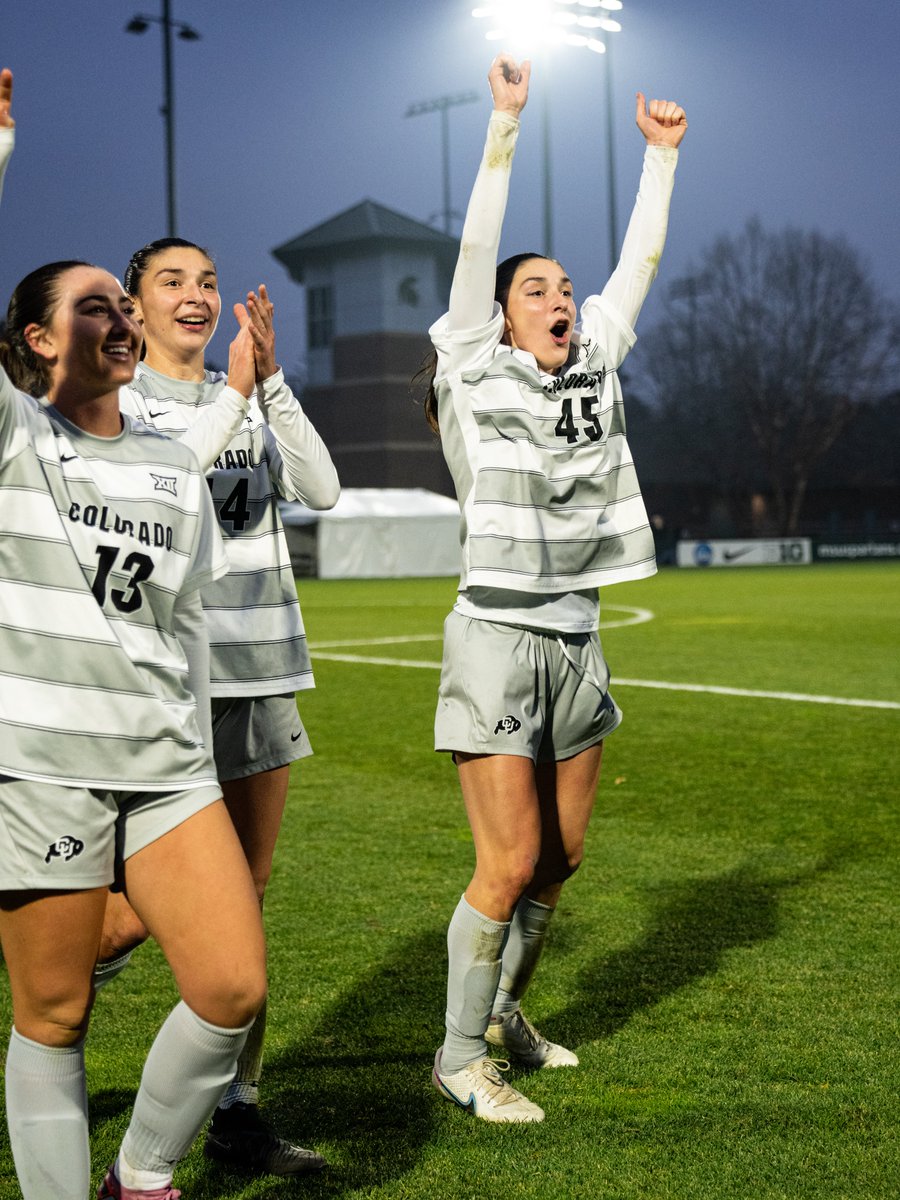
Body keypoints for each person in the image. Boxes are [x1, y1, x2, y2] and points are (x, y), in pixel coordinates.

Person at [0, 68, 268, 1200]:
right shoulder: (17, 443)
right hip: (45, 768)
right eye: (96, 304)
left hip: (166, 768)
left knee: (231, 987)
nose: (121, 318)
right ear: (35, 340)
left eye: (127, 302)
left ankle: (143, 1181)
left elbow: (185, 622)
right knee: (54, 1015)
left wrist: (246, 393)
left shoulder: (170, 460)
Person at [421, 55, 687, 1122]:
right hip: (495, 633)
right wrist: (504, 125)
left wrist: (661, 159)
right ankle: (454, 1056)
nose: (563, 299)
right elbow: (482, 244)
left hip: (577, 635)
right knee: (509, 857)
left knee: (563, 858)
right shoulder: (471, 364)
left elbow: (642, 263)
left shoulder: (596, 358)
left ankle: (503, 1016)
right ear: (498, 314)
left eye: (565, 289)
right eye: (539, 289)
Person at [92, 230, 339, 1174]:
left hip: (262, 667)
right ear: (134, 303)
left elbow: (324, 489)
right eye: (170, 282)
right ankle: (56, 1008)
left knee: (251, 898)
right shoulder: (123, 404)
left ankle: (239, 1110)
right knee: (126, 914)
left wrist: (268, 384)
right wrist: (233, 394)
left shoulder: (252, 391)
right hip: (175, 683)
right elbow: (159, 493)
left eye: (206, 281)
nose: (194, 295)